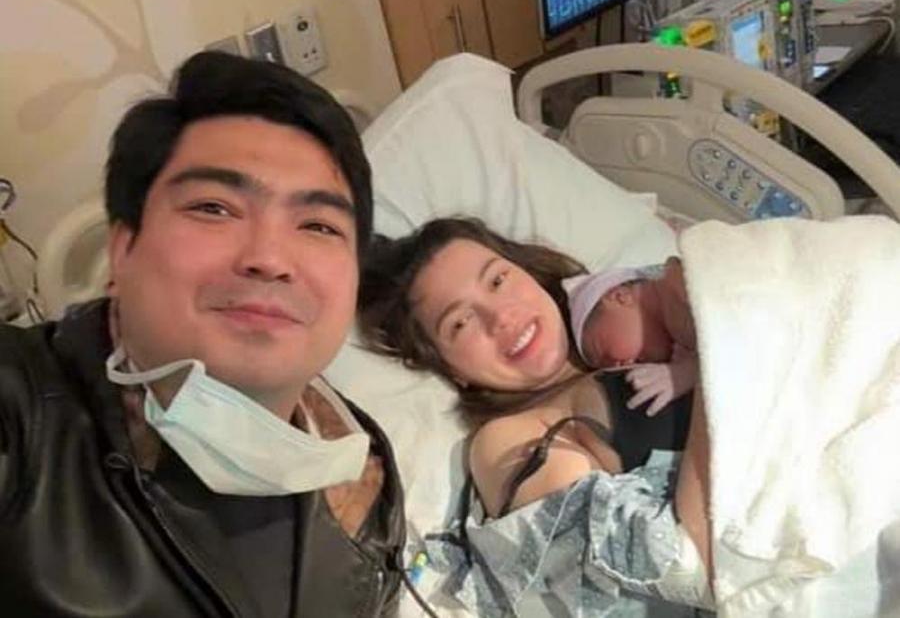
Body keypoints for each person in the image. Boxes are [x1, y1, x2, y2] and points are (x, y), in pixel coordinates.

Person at [0, 52, 406, 617]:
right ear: (122, 249)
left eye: (318, 225)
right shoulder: (22, 421)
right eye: (214, 208)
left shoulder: (362, 478)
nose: (270, 258)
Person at [359, 217, 713, 616]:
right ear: (450, 368)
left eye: (497, 280)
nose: (500, 318)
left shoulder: (637, 322)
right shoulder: (510, 438)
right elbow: (675, 569)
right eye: (460, 322)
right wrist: (711, 369)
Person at [563, 259, 698, 417]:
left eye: (604, 353)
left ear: (619, 296)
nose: (619, 367)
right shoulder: (683, 351)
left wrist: (686, 373)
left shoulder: (678, 279)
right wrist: (686, 372)